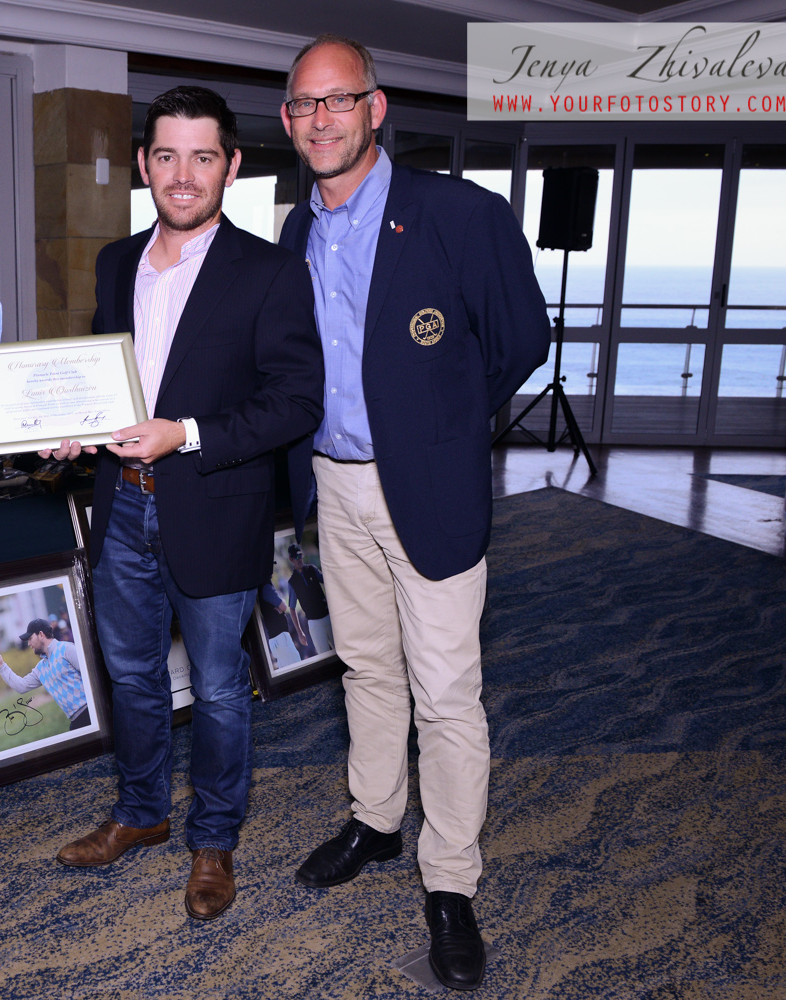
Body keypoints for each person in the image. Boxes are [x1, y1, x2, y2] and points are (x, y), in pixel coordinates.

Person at [278, 35, 549, 991]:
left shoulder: (460, 214)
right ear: (288, 119)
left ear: (375, 107)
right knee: (365, 667)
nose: (321, 119)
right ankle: (377, 820)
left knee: (446, 694)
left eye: (338, 100)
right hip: (332, 485)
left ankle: (451, 882)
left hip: (427, 487)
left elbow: (521, 339)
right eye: (304, 104)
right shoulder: (296, 228)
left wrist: (440, 425)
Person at [47, 86, 323, 921]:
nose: (183, 174)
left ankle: (214, 839)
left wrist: (189, 433)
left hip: (215, 504)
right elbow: (111, 380)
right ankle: (141, 811)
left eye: (203, 157)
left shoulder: (271, 271)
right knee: (131, 675)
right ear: (144, 164)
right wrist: (74, 429)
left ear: (230, 167)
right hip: (121, 506)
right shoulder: (116, 262)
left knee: (218, 686)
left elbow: (296, 401)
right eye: (167, 155)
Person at [0, 619, 91, 730]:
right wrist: (2, 667)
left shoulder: (66, 649)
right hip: (76, 720)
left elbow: (91, 674)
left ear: (41, 635)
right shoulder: (41, 668)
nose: (29, 644)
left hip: (90, 710)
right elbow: (21, 686)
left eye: (30, 638)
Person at [284, 543, 332, 655]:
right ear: (291, 559)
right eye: (296, 557)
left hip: (328, 617)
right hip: (314, 623)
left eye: (300, 555)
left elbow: (329, 583)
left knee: (341, 650)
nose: (299, 559)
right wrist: (300, 632)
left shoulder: (312, 569)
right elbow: (292, 609)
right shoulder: (292, 582)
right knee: (324, 655)